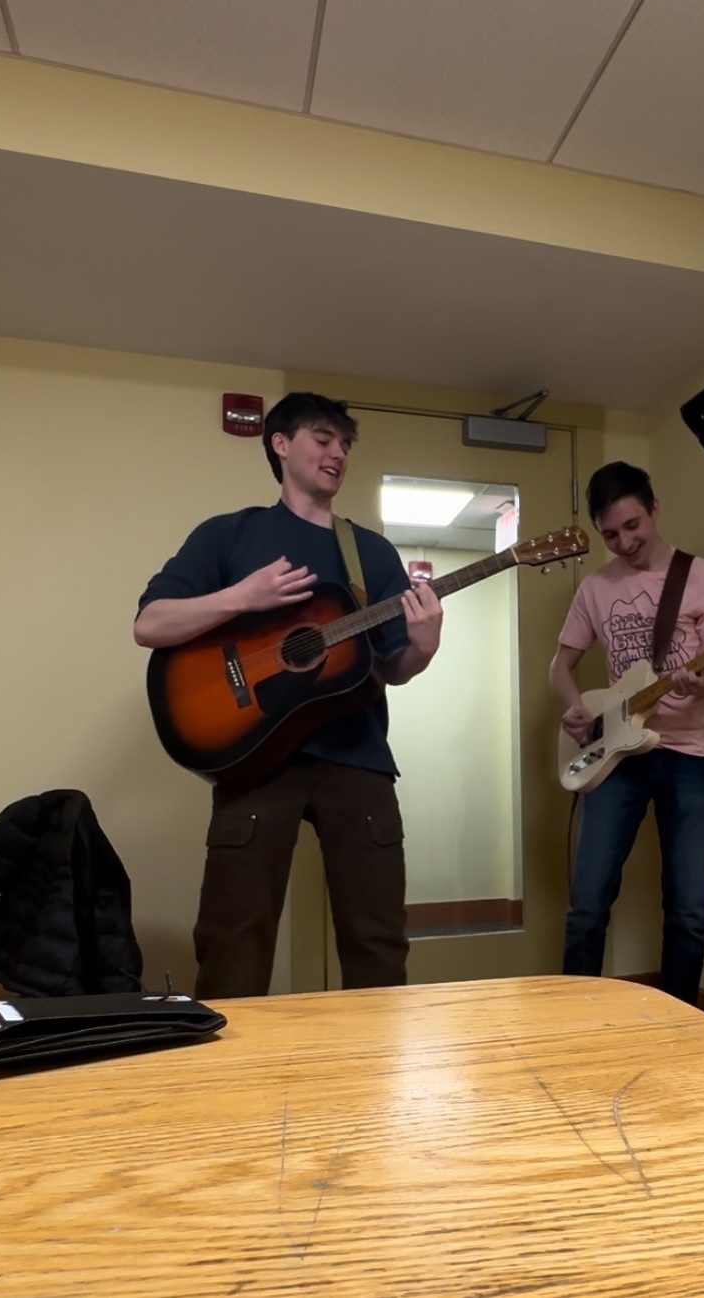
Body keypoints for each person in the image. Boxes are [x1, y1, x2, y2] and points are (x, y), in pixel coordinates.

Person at [134, 391, 443, 999]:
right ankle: (231, 1087)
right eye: (323, 439)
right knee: (234, 941)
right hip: (254, 762)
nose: (338, 453)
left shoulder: (371, 553)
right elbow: (150, 624)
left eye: (345, 444)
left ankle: (373, 1082)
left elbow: (393, 667)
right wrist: (240, 598)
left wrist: (424, 647)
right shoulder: (230, 535)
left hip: (357, 760)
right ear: (280, 443)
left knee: (377, 940)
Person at [549, 461, 704, 1004]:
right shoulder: (595, 587)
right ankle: (572, 1022)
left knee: (688, 912)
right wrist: (573, 708)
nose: (624, 542)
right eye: (610, 534)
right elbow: (559, 667)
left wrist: (699, 684)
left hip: (691, 755)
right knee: (587, 905)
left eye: (633, 525)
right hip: (617, 756)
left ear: (654, 509)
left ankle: (678, 1029)